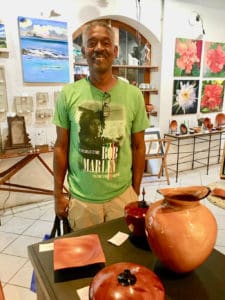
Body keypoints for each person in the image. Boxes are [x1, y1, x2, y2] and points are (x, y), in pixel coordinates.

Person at [53, 20, 149, 231]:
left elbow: (138, 147)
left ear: (115, 51)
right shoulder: (68, 94)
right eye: (92, 43)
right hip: (82, 201)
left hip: (122, 197)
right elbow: (60, 147)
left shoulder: (133, 95)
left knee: (121, 259)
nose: (98, 48)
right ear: (83, 51)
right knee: (87, 262)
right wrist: (58, 194)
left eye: (105, 43)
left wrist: (135, 190)